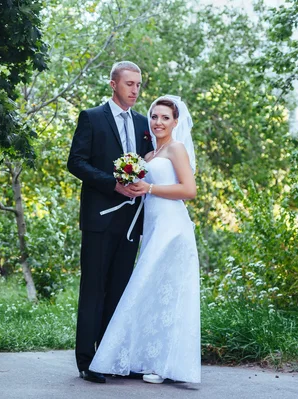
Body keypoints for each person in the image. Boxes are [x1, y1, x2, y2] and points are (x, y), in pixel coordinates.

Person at [89, 95, 201, 384]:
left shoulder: (176, 149)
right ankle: (145, 359)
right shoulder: (149, 155)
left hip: (172, 228)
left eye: (165, 117)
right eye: (154, 116)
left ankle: (164, 365)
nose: (158, 122)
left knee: (164, 292)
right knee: (153, 291)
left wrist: (149, 187)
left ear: (176, 122)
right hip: (151, 227)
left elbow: (189, 190)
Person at [67, 61, 153, 383]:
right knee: (93, 290)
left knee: (118, 290)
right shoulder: (91, 118)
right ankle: (87, 362)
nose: (135, 90)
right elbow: (75, 162)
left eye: (139, 85)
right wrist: (112, 184)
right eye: (129, 84)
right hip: (99, 219)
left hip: (131, 222)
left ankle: (111, 356)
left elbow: (148, 166)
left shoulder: (144, 124)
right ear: (114, 84)